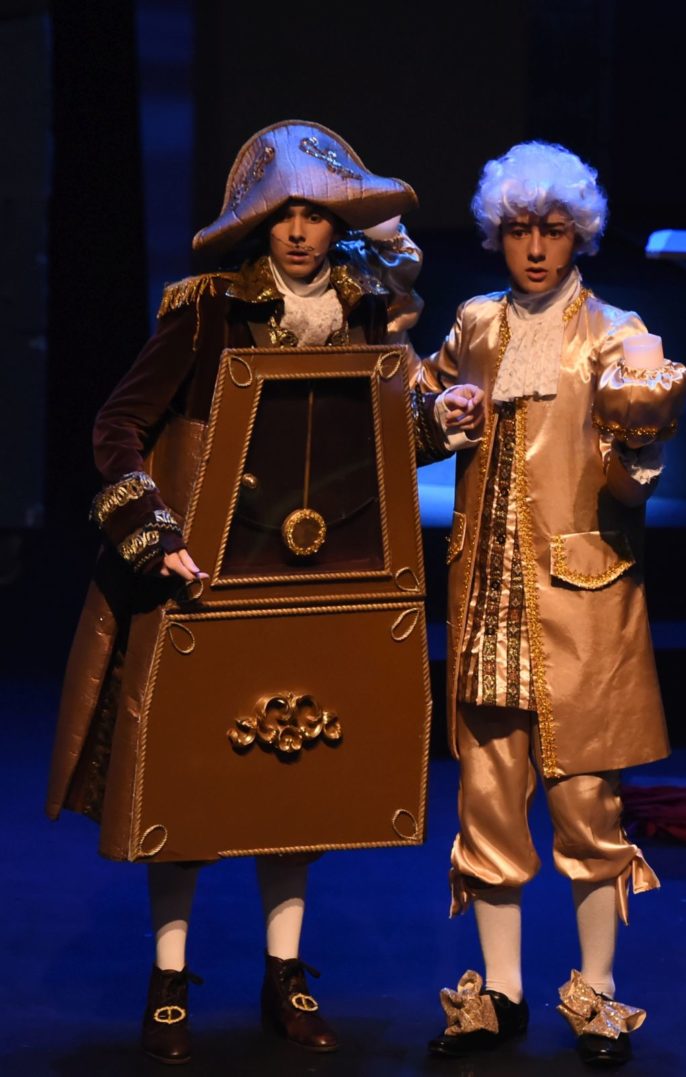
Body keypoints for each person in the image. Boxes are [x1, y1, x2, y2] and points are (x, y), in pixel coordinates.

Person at [46, 120, 422, 1065]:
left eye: (315, 214)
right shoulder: (209, 310)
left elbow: (377, 444)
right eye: (283, 213)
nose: (298, 230)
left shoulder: (365, 312)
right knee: (186, 786)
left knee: (296, 778)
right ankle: (169, 979)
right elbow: (117, 425)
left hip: (311, 579)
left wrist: (438, 419)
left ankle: (284, 975)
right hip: (208, 581)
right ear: (259, 222)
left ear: (337, 224)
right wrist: (155, 534)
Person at [411, 141, 686, 1066]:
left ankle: (597, 990)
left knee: (586, 809)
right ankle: (501, 992)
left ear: (580, 236)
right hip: (490, 601)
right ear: (499, 233)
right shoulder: (475, 324)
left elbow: (629, 479)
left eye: (554, 230)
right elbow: (421, 412)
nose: (535, 247)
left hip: (579, 604)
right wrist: (437, 414)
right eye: (521, 229)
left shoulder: (615, 333)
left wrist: (637, 433)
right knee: (487, 804)